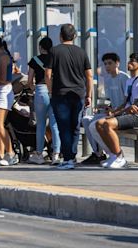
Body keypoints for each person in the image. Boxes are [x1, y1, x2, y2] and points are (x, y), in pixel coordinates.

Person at [96, 59, 138, 168]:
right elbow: (133, 105)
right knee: (99, 123)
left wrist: (133, 109)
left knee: (108, 124)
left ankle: (119, 157)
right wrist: (116, 113)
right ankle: (113, 155)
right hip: (135, 115)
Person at [45, 24, 93, 170]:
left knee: (63, 127)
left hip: (60, 94)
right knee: (75, 127)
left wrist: (51, 91)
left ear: (60, 36)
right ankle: (72, 156)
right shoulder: (81, 52)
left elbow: (47, 74)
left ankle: (68, 159)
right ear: (75, 36)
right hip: (78, 93)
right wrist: (89, 95)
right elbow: (89, 75)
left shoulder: (54, 51)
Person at [80, 53, 129, 165]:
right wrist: (104, 107)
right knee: (86, 119)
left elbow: (127, 100)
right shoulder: (107, 80)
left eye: (110, 63)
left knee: (94, 124)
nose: (107, 66)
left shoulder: (124, 78)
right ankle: (98, 153)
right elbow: (109, 100)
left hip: (121, 113)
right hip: (113, 112)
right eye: (105, 64)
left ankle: (114, 153)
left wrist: (115, 111)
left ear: (117, 63)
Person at [27, 37, 61, 165]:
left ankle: (39, 154)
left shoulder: (34, 60)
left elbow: (30, 80)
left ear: (41, 47)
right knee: (54, 125)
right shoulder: (55, 60)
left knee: (40, 124)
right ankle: (56, 154)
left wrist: (32, 87)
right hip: (54, 92)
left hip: (41, 91)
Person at [0, 35, 17, 166]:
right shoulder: (3, 56)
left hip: (3, 91)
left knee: (0, 124)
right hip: (0, 91)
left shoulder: (3, 57)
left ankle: (11, 153)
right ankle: (0, 152)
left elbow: (5, 79)